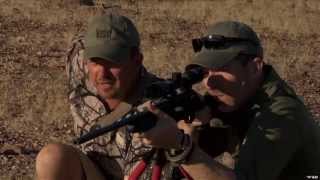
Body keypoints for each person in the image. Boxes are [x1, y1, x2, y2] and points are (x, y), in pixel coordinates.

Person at [137, 21, 320, 180]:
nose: (209, 82)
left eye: (221, 69)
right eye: (205, 72)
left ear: (255, 67)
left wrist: (180, 146)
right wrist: (191, 127)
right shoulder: (230, 98)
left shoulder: (283, 113)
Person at [35, 14, 161, 180]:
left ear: (137, 60)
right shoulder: (79, 62)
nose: (102, 74)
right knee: (51, 158)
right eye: (95, 61)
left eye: (113, 62)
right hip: (91, 170)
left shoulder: (160, 104)